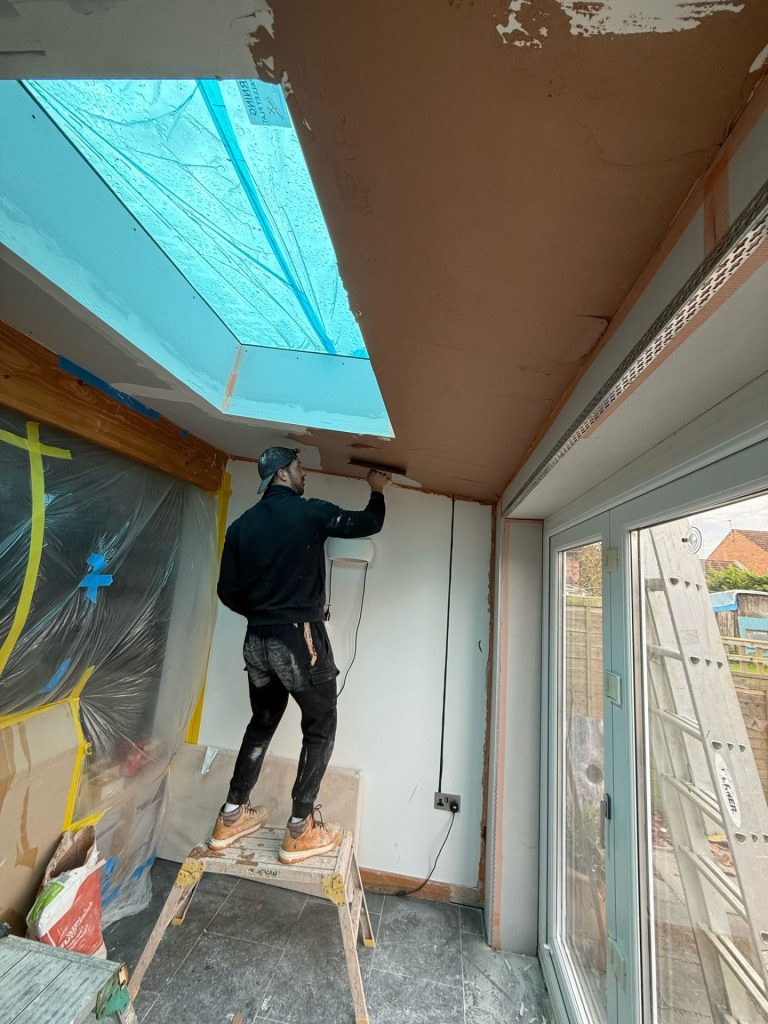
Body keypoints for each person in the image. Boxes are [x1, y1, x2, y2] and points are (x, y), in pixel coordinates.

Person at [210, 446, 389, 863]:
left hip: (257, 640)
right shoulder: (309, 513)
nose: (304, 472)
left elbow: (226, 591)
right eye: (298, 466)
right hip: (298, 638)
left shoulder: (240, 527)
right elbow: (368, 523)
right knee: (321, 725)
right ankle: (300, 828)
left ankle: (231, 815)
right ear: (282, 475)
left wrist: (263, 614)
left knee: (262, 722)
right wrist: (377, 489)